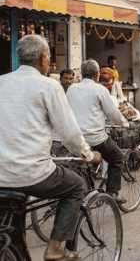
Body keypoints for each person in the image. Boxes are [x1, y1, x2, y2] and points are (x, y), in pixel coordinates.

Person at [0, 34, 102, 261]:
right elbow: (69, 134)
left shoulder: (1, 82)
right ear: (44, 58)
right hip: (31, 174)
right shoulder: (48, 86)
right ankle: (55, 248)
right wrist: (88, 155)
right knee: (75, 186)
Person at [67, 59, 134, 204]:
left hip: (75, 137)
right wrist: (126, 124)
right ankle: (113, 192)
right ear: (96, 74)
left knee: (79, 161)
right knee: (117, 157)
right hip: (95, 138)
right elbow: (113, 114)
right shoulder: (100, 89)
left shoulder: (71, 88)